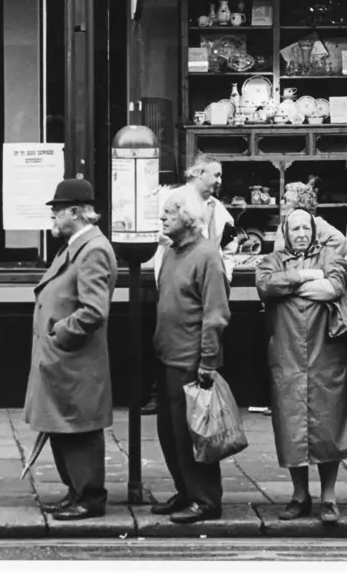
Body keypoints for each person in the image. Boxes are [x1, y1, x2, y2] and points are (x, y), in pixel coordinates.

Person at [256, 207, 347, 525]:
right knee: (293, 428)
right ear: (285, 233)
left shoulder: (330, 255)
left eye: (306, 228)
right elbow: (265, 285)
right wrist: (305, 277)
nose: (301, 234)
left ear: (314, 231)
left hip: (326, 359)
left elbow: (336, 286)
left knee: (328, 428)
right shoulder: (272, 261)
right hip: (287, 359)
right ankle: (299, 495)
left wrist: (291, 288)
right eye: (295, 229)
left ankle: (328, 497)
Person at [23, 178, 118, 521]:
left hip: (75, 360)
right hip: (64, 362)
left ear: (76, 212)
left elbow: (94, 310)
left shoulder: (92, 250)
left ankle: (90, 497)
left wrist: (59, 333)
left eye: (57, 210)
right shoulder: (74, 246)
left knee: (80, 430)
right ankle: (74, 492)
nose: (53, 217)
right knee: (63, 429)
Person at [150, 185, 231, 525]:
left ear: (187, 217)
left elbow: (216, 315)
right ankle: (185, 490)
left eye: (169, 212)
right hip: (168, 358)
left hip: (191, 362)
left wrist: (208, 364)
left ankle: (205, 500)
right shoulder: (171, 251)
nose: (162, 217)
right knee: (170, 433)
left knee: (196, 435)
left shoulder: (207, 255)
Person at [143, 154, 240, 415]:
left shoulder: (218, 209)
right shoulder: (172, 199)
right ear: (198, 174)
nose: (219, 180)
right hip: (174, 284)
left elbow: (230, 245)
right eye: (215, 174)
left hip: (205, 285)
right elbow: (155, 234)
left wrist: (224, 276)